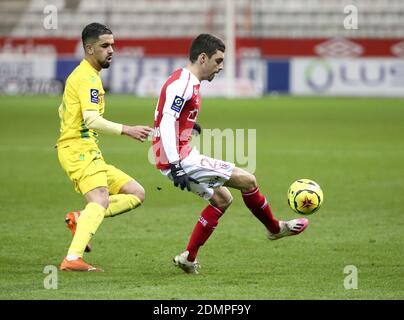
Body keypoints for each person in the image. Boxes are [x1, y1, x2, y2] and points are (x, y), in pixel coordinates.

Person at [152, 34, 309, 274]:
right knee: (248, 180)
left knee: (222, 199)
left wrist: (187, 126)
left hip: (173, 157)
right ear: (203, 58)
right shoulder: (183, 83)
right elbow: (165, 120)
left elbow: (169, 115)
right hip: (179, 159)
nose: (221, 66)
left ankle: (188, 258)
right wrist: (176, 164)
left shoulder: (185, 80)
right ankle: (275, 228)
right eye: (218, 60)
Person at [56, 23, 152, 272]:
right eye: (105, 46)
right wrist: (127, 129)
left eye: (113, 45)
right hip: (77, 149)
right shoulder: (87, 77)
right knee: (99, 199)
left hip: (87, 149)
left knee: (135, 192)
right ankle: (72, 259)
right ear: (89, 48)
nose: (111, 50)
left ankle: (80, 218)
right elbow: (91, 119)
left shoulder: (87, 75)